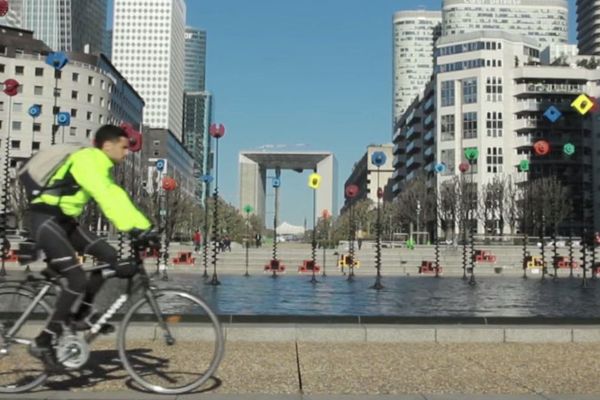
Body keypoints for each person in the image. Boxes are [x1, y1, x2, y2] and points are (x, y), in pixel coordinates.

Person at [26, 125, 153, 369]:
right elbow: (104, 194)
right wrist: (134, 228)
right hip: (46, 219)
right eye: (124, 147)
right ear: (108, 145)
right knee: (76, 279)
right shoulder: (88, 159)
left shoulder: (100, 165)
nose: (127, 153)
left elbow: (116, 194)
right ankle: (45, 340)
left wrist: (145, 227)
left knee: (110, 257)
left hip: (65, 222)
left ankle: (79, 316)